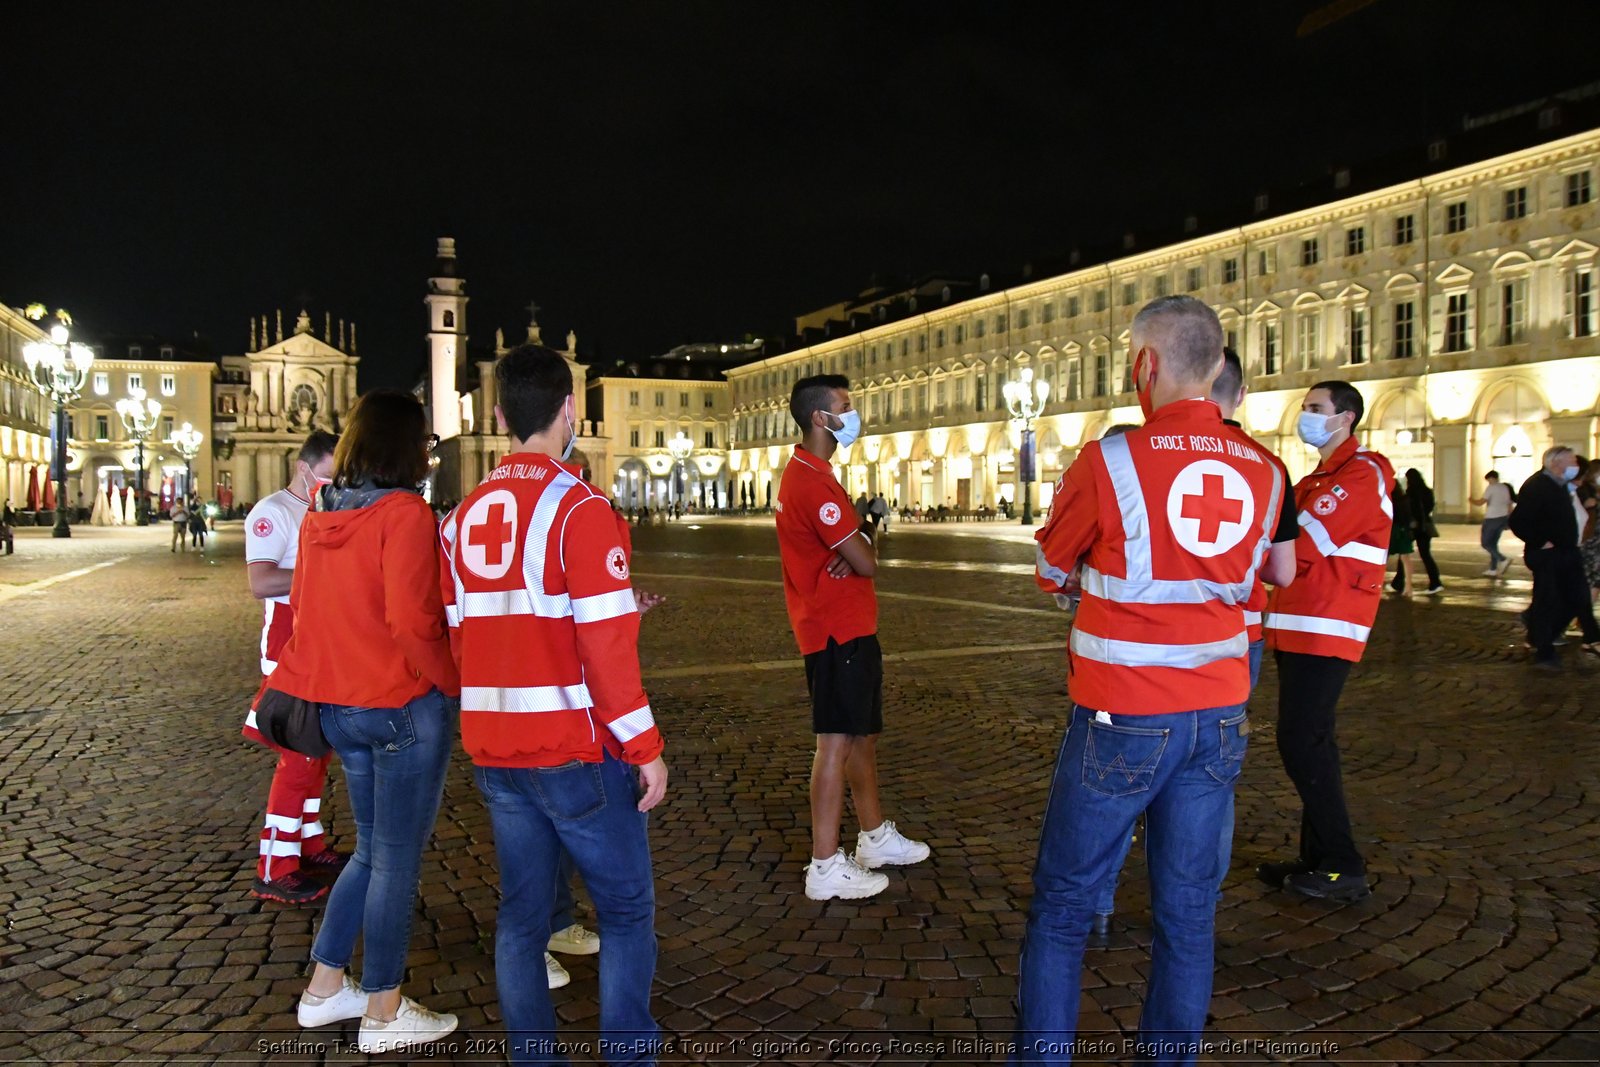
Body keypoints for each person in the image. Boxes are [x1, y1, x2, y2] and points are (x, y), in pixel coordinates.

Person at [1016, 297, 1290, 1064]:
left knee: (1065, 906)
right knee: (1189, 912)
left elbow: (1048, 566)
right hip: (1220, 715)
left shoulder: (1113, 459)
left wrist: (1085, 574)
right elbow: (1250, 577)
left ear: (1145, 364)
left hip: (1125, 713)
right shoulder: (1268, 473)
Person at [439, 345, 669, 1066]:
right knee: (627, 910)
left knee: (520, 918)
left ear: (500, 415)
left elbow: (458, 642)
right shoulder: (580, 507)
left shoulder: (460, 519)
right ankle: (629, 1054)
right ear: (570, 410)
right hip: (574, 745)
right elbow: (605, 652)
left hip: (495, 745)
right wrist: (646, 746)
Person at [269, 391, 462, 1053]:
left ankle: (324, 987)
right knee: (397, 862)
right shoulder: (405, 513)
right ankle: (384, 1008)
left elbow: (302, 608)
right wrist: (451, 682)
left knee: (374, 851)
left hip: (340, 709)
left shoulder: (319, 511)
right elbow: (415, 624)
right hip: (398, 707)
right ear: (406, 447)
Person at [1092, 349, 1299, 939]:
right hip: (1231, 646)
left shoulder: (1134, 454)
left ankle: (1099, 902)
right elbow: (1282, 571)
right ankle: (1191, 903)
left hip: (1135, 651)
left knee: (1120, 777)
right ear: (1238, 391)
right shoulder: (1266, 467)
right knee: (1209, 777)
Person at [778, 373, 929, 903]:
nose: (853, 413)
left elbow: (859, 552)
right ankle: (824, 864)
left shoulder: (813, 474)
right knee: (836, 742)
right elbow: (867, 559)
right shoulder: (813, 482)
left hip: (850, 627)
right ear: (821, 418)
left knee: (861, 736)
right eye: (846, 406)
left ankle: (872, 836)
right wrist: (862, 537)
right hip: (834, 629)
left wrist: (858, 539)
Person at [1260, 380, 1395, 902]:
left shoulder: (1362, 474)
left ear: (1347, 418)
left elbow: (1303, 542)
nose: (1306, 415)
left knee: (1301, 740)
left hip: (1329, 623)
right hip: (1301, 622)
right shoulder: (1318, 477)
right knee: (1312, 740)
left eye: (1316, 408)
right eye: (1305, 407)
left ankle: (1342, 863)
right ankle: (1317, 856)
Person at [243, 431, 343, 904]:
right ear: (305, 468)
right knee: (298, 756)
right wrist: (321, 577)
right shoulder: (273, 512)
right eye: (328, 472)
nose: (334, 480)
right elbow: (261, 581)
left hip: (318, 645)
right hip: (287, 648)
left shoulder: (320, 510)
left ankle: (307, 844)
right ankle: (275, 864)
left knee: (316, 753)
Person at [1509, 446, 1600, 667]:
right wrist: (1541, 542)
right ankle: (1544, 649)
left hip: (1568, 551)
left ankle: (1543, 637)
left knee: (1577, 598)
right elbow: (1518, 521)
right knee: (1546, 600)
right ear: (1556, 463)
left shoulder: (1560, 485)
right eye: (1571, 462)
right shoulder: (1537, 486)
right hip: (1547, 554)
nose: (1575, 466)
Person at [1398, 468, 1442, 594]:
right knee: (1425, 555)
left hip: (1414, 526)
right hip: (1425, 526)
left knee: (1404, 553)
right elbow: (1429, 507)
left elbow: (1411, 509)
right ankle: (1435, 582)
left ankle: (1398, 582)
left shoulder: (1411, 492)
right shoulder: (1428, 491)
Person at [1472, 470, 1515, 577]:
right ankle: (1493, 569)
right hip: (1502, 518)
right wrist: (1508, 518)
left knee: (1485, 543)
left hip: (1492, 518)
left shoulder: (1491, 487)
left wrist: (1471, 500)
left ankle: (1502, 559)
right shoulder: (1505, 487)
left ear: (1492, 478)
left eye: (1488, 480)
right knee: (1493, 544)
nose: (1488, 482)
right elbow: (1509, 504)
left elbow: (1481, 502)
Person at [1387, 479, 1416, 598]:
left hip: (1391, 531)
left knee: (1382, 559)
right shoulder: (1405, 500)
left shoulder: (1387, 500)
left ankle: (1375, 586)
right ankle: (1408, 586)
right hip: (1403, 531)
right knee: (1406, 559)